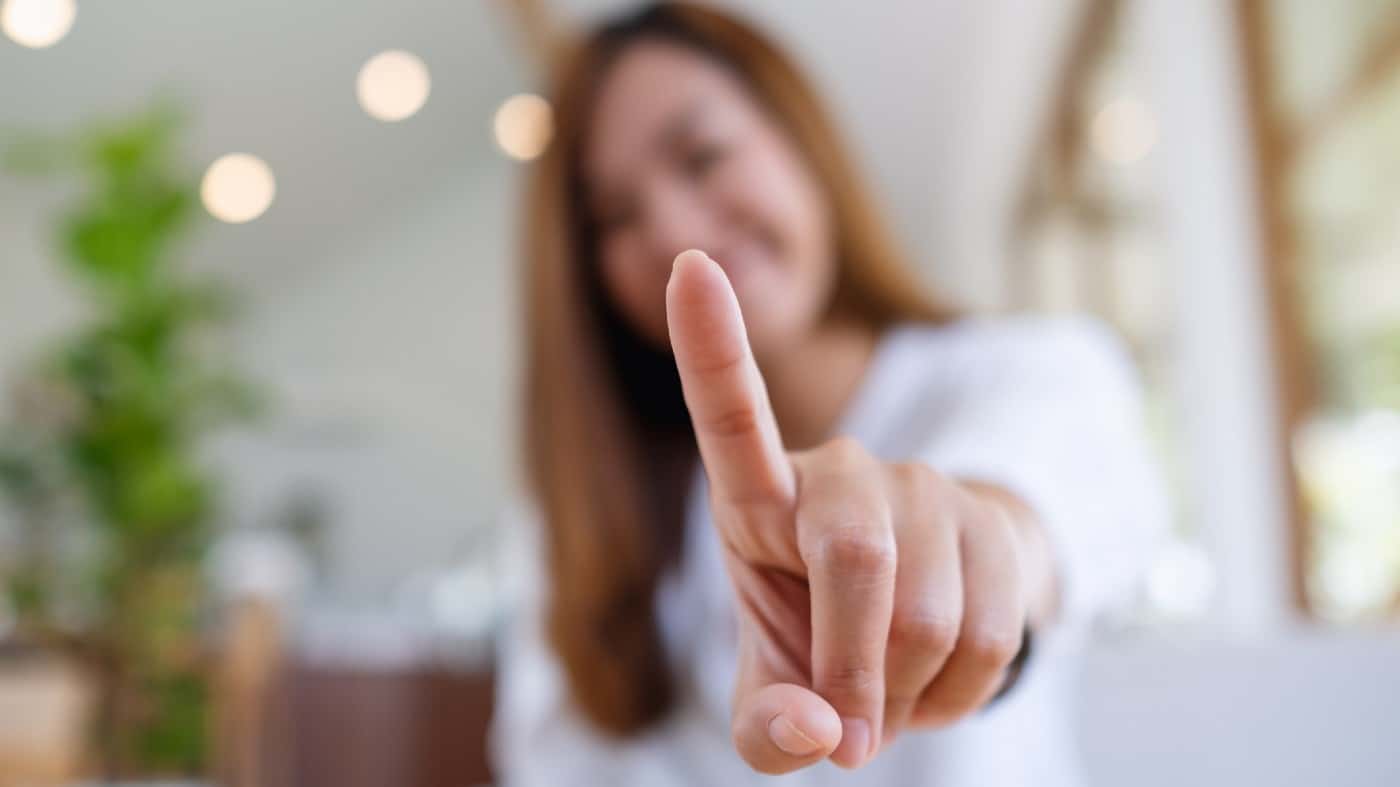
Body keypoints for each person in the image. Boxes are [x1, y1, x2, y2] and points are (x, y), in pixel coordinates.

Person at [493, 3, 1168, 785]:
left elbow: (1041, 503)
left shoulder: (1028, 371)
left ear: (801, 143)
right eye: (614, 216)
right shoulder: (587, 509)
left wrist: (962, 552)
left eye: (704, 155)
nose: (674, 229)